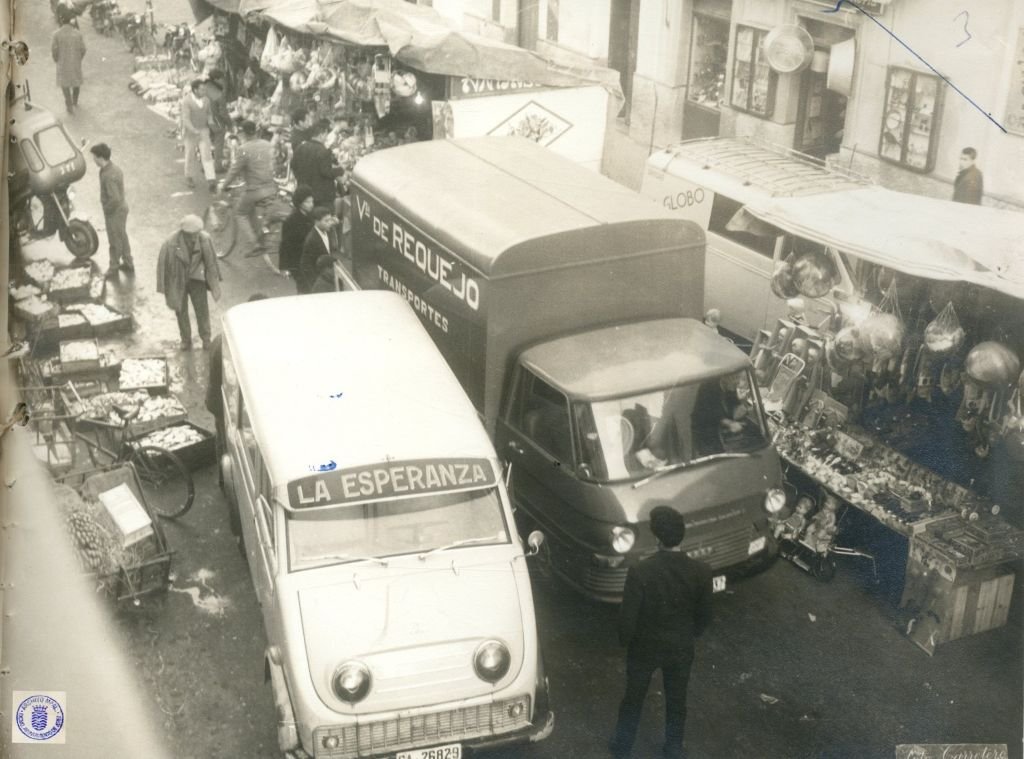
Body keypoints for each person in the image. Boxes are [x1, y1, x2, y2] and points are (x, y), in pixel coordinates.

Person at [611, 506, 713, 759]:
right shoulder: (701, 571)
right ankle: (673, 748)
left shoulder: (640, 571)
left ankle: (622, 747)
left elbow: (627, 618)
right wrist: (689, 635)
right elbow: (705, 616)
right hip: (680, 646)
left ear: (657, 538)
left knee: (633, 699)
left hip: (645, 648)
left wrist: (626, 641)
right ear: (681, 536)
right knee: (677, 701)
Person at [207, 293, 268, 497]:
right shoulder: (237, 344)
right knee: (227, 442)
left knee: (222, 439)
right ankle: (228, 483)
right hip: (224, 403)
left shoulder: (221, 339)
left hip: (219, 400)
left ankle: (225, 480)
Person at [157, 215, 222, 350]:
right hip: (177, 278)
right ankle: (186, 339)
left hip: (196, 278)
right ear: (183, 233)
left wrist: (213, 281)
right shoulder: (170, 243)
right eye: (190, 234)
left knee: (202, 309)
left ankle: (206, 338)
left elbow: (211, 262)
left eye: (196, 233)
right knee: (180, 310)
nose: (194, 237)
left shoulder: (204, 239)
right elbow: (163, 266)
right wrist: (166, 287)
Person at [219, 119, 277, 257]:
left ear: (243, 133)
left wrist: (224, 185)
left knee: (240, 213)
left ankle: (255, 244)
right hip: (271, 187)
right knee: (249, 208)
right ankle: (260, 238)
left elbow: (234, 170)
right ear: (256, 131)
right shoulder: (267, 145)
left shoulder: (243, 149)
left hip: (255, 190)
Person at [89, 143, 134, 277]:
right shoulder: (112, 169)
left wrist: (107, 210)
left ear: (100, 158)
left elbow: (115, 198)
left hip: (115, 211)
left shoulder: (108, 175)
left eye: (94, 157)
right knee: (122, 236)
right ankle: (128, 263)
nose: (93, 160)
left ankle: (113, 268)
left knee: (114, 240)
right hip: (120, 209)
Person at [291, 118, 347, 211]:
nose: (326, 138)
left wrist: (301, 179)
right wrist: (341, 170)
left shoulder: (301, 147)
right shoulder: (323, 151)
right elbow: (326, 172)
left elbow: (293, 165)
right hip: (322, 197)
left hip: (305, 194)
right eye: (326, 135)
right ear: (321, 135)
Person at [181, 79, 217, 191]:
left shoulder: (206, 100)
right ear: (195, 90)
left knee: (207, 155)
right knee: (190, 155)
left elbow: (209, 114)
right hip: (191, 133)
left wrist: (211, 123)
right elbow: (186, 119)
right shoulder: (186, 101)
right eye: (202, 89)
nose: (204, 91)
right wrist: (193, 130)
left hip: (203, 130)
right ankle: (189, 176)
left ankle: (211, 179)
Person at [279, 185, 315, 285]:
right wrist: (283, 267)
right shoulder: (291, 221)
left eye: (312, 201)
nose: (311, 204)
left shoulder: (310, 216)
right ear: (300, 203)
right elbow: (284, 245)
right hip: (298, 262)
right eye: (307, 202)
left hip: (310, 260)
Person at [298, 206, 339, 294]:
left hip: (328, 277)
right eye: (326, 221)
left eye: (330, 220)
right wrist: (315, 284)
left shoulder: (328, 231)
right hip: (320, 282)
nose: (330, 223)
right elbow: (305, 265)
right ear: (316, 222)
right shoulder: (311, 239)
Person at [51, 11, 86, 114]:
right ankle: (75, 101)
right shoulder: (78, 34)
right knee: (76, 81)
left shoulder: (56, 35)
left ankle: (69, 103)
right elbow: (83, 49)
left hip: (62, 63)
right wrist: (78, 59)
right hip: (75, 62)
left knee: (64, 84)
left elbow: (54, 50)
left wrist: (57, 59)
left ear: (61, 21)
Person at [205, 72, 233, 175]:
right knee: (219, 142)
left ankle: (206, 166)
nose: (224, 82)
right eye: (222, 79)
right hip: (214, 120)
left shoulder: (204, 88)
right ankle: (217, 167)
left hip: (203, 119)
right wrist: (229, 124)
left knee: (207, 143)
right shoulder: (218, 94)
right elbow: (223, 113)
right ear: (216, 79)